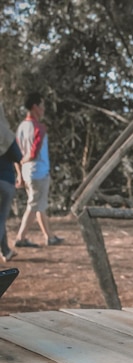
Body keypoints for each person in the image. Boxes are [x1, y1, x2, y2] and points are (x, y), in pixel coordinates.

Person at [14, 92, 63, 248]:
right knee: (34, 205)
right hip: (39, 172)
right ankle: (20, 238)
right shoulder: (38, 128)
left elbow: (16, 153)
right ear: (35, 107)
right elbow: (33, 153)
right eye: (42, 106)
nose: (43, 109)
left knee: (39, 205)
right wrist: (24, 160)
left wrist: (19, 173)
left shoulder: (21, 127)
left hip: (27, 172)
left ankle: (49, 236)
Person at [0, 103, 22, 262]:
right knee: (1, 219)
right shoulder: (5, 134)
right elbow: (18, 156)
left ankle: (6, 250)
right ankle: (5, 250)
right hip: (5, 181)